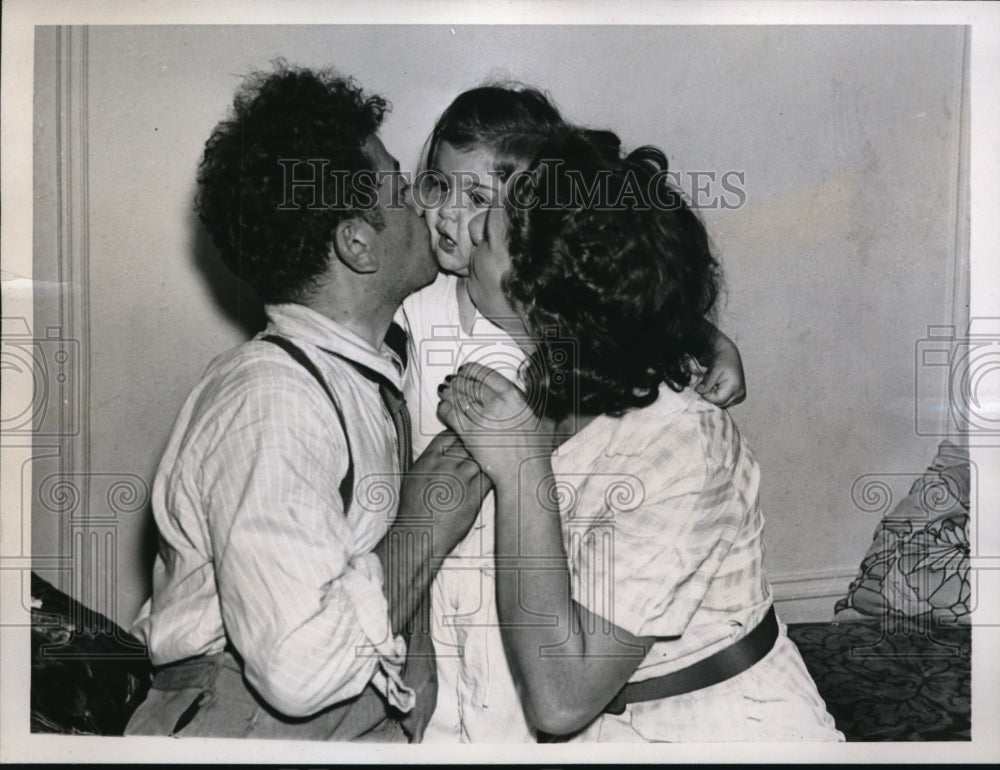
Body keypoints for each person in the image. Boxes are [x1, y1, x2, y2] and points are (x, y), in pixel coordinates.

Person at [436, 127, 844, 742]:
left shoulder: (683, 444)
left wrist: (520, 468)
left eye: (487, 233)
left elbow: (560, 700)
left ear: (537, 296)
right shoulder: (553, 379)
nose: (468, 232)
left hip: (722, 732)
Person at [126, 63, 487, 742]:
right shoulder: (273, 402)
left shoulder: (356, 373)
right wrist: (423, 528)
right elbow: (297, 668)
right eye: (399, 188)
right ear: (357, 243)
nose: (422, 202)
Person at [397, 84, 748, 742]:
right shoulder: (433, 300)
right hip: (460, 584)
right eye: (440, 188)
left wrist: (707, 339)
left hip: (583, 652)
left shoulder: (667, 429)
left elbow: (622, 294)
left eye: (486, 211)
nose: (459, 223)